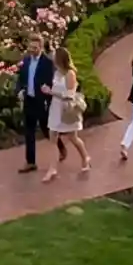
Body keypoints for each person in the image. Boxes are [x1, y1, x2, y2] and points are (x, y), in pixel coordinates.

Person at [44, 45, 89, 180]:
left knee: (73, 137)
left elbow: (69, 94)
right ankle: (52, 168)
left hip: (67, 109)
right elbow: (48, 55)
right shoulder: (57, 72)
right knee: (53, 138)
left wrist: (51, 92)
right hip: (55, 108)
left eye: (55, 58)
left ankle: (85, 157)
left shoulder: (70, 74)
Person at [14, 34, 55, 174]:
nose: (32, 50)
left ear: (41, 47)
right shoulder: (26, 61)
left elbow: (51, 83)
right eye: (30, 47)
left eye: (35, 47)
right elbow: (20, 79)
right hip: (29, 100)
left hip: (41, 101)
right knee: (29, 131)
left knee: (47, 129)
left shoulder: (47, 63)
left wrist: (48, 99)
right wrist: (19, 90)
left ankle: (60, 147)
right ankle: (31, 162)